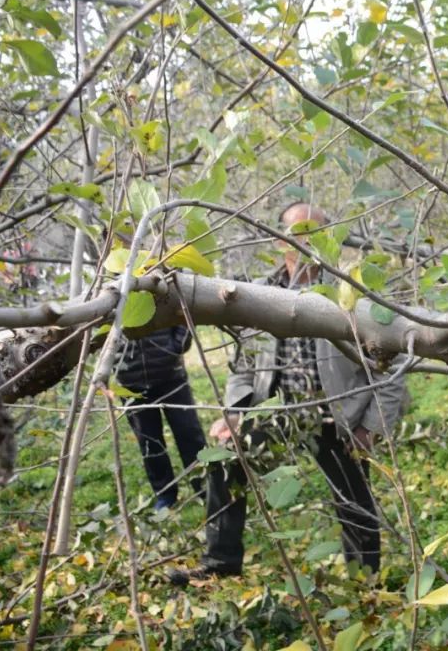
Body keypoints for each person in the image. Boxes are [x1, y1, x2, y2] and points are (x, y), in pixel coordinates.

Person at [168, 202, 409, 585]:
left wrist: (370, 425)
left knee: (353, 498)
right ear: (279, 239)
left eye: (316, 230)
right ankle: (220, 564)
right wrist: (235, 412)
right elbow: (243, 363)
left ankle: (365, 582)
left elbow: (392, 365)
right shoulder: (259, 293)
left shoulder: (353, 292)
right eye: (296, 232)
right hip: (278, 412)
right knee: (226, 460)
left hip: (338, 416)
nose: (305, 240)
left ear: (331, 237)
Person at [116, 326, 207, 510]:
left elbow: (182, 313)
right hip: (130, 382)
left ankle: (205, 487)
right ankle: (165, 493)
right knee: (149, 443)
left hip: (171, 376)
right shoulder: (102, 295)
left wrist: (176, 346)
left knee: (189, 434)